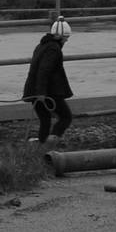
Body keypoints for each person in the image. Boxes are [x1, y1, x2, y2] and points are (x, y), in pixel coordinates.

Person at [22, 17, 74, 146]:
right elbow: (44, 70)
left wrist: (38, 91)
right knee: (66, 117)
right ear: (60, 36)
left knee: (45, 120)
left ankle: (42, 145)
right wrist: (41, 92)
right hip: (48, 92)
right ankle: (52, 142)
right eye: (66, 37)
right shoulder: (53, 49)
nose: (67, 40)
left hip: (35, 90)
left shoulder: (41, 46)